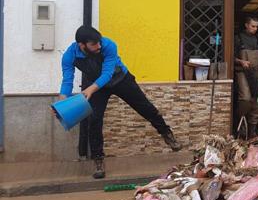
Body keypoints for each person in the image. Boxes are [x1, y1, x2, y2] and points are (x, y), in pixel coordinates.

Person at [58, 25, 181, 179]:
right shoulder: (69, 56)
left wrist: (90, 90)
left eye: (99, 42)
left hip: (119, 79)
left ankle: (167, 134)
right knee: (94, 120)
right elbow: (67, 80)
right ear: (82, 45)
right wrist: (62, 102)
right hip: (97, 87)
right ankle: (98, 160)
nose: (98, 46)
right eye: (93, 44)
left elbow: (108, 73)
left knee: (145, 108)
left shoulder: (109, 45)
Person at [234, 16, 258, 138]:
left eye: (257, 26)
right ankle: (240, 122)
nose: (255, 29)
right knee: (246, 98)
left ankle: (252, 129)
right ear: (246, 25)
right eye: (253, 26)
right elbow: (231, 57)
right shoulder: (238, 39)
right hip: (242, 72)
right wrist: (241, 61)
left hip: (257, 73)